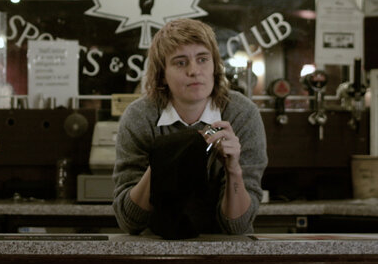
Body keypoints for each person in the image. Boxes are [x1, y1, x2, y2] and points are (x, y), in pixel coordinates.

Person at [112, 18, 268, 236]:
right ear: (162, 75)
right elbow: (130, 221)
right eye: (180, 63)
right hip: (156, 248)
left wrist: (233, 169)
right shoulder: (140, 116)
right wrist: (163, 162)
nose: (194, 71)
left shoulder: (242, 114)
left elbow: (237, 226)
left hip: (225, 250)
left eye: (202, 59)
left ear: (215, 66)